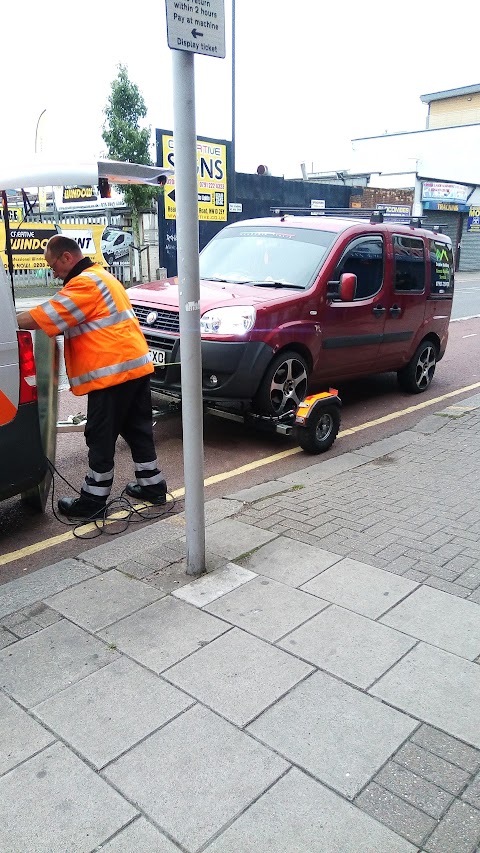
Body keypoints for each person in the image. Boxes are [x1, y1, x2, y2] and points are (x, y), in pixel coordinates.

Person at [16, 235, 167, 518]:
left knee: (100, 435)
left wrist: (5, 322)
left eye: (53, 265)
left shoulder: (84, 284)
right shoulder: (102, 276)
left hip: (113, 374)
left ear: (67, 258)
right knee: (138, 429)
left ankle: (93, 501)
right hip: (134, 368)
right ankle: (153, 486)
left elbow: (44, 316)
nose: (53, 272)